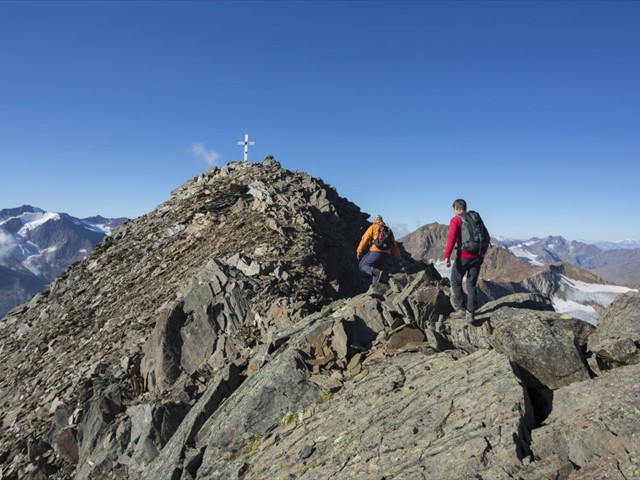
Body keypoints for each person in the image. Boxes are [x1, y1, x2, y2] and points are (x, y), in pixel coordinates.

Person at [444, 199, 489, 322]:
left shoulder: (456, 220)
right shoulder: (475, 218)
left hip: (464, 257)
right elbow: (487, 236)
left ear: (457, 208)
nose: (454, 211)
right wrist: (482, 253)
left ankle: (461, 310)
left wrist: (447, 256)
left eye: (454, 209)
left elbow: (452, 238)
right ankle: (471, 312)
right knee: (471, 284)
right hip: (478, 256)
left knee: (455, 281)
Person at [357, 215, 403, 284]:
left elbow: (365, 239)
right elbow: (394, 246)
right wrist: (399, 259)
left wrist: (359, 251)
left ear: (375, 220)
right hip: (385, 254)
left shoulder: (373, 227)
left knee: (362, 265)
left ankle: (376, 278)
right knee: (377, 271)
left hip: (375, 252)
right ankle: (375, 288)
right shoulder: (388, 230)